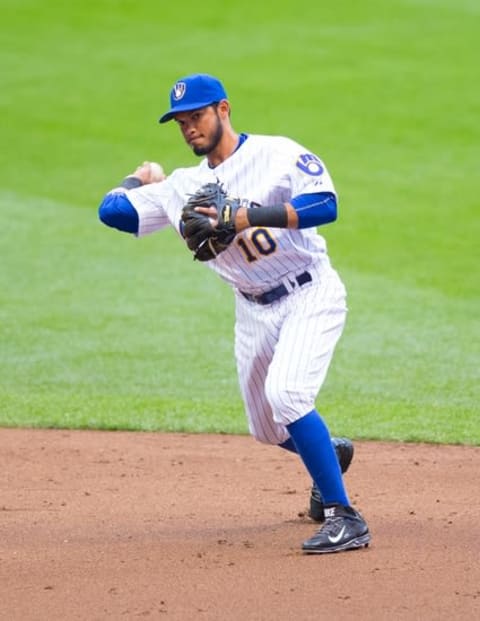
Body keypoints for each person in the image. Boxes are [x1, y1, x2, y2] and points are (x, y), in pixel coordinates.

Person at [98, 73, 370, 554]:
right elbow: (111, 212)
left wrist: (246, 216)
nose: (189, 129)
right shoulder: (183, 187)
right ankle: (328, 452)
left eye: (197, 116)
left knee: (288, 394)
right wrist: (139, 180)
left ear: (223, 109)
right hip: (252, 310)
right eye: (180, 122)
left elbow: (325, 205)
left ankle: (344, 515)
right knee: (267, 429)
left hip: (309, 292)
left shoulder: (276, 154)